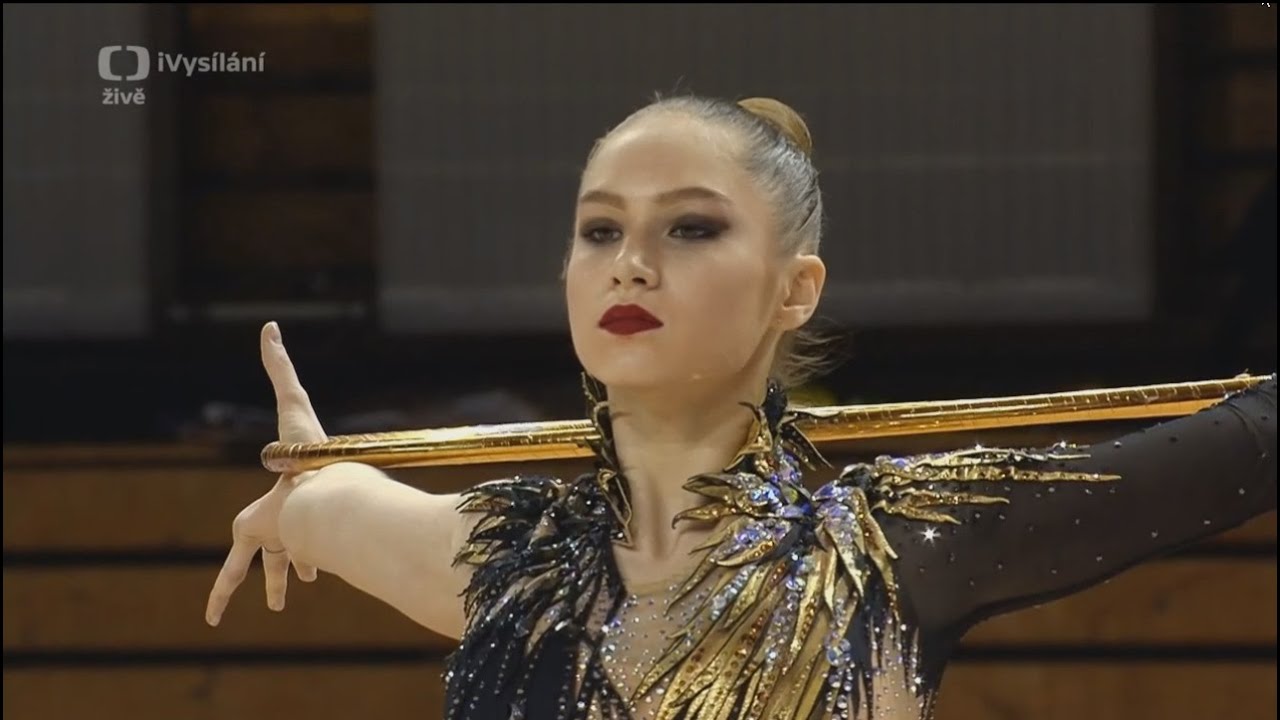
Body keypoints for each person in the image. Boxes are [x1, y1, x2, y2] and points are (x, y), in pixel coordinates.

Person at [204, 95, 1278, 720]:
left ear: (792, 289)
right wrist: (308, 482)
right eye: (597, 230)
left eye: (690, 229)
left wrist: (316, 495)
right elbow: (321, 500)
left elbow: (1247, 441)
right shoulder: (501, 555)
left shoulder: (896, 549)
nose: (627, 264)